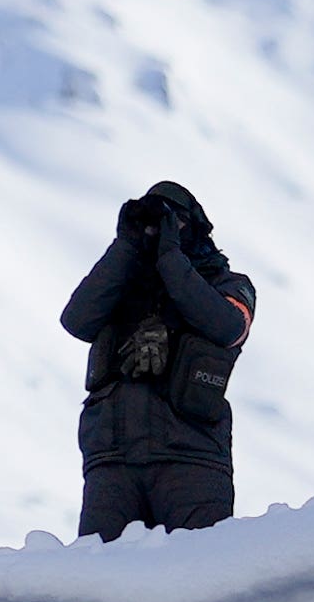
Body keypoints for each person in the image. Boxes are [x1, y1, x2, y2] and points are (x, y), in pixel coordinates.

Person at [60, 179, 257, 538]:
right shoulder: (120, 282)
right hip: (113, 460)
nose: (157, 229)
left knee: (199, 575)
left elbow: (228, 327)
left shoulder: (228, 284)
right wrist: (125, 245)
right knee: (98, 582)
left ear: (196, 229)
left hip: (192, 458)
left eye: (173, 221)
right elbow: (76, 320)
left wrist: (170, 256)